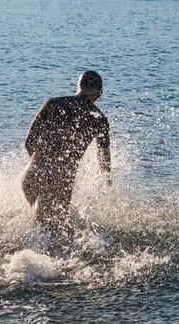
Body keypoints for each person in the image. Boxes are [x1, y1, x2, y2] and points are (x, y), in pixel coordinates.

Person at [21, 70, 112, 233]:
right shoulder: (100, 119)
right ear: (98, 92)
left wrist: (40, 165)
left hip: (32, 174)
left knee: (38, 223)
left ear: (79, 87)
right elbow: (103, 157)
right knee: (53, 232)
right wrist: (106, 177)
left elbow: (29, 143)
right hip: (60, 179)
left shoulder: (53, 103)